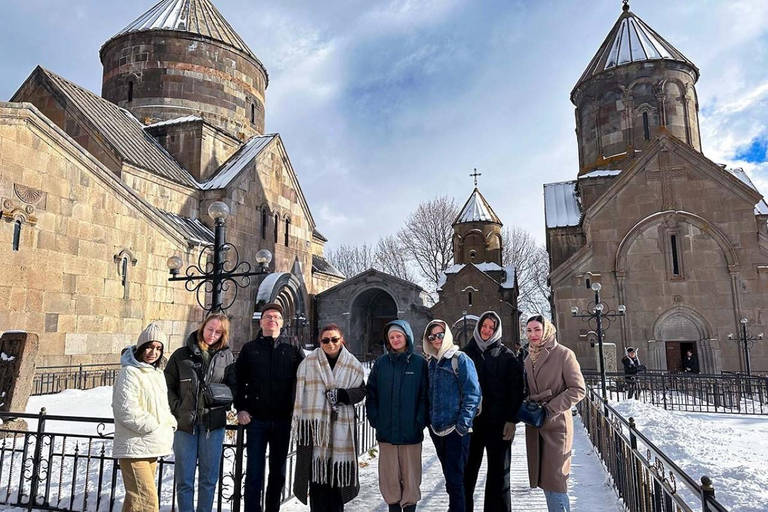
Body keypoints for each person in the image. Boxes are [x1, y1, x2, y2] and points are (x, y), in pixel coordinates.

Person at [236, 303, 304, 512]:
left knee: (278, 473)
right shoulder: (250, 348)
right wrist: (241, 408)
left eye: (276, 317)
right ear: (261, 321)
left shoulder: (292, 346)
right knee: (254, 473)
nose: (272, 320)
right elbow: (239, 380)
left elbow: (305, 377)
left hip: (283, 420)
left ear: (282, 322)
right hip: (257, 420)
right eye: (267, 317)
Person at [165, 314, 236, 512]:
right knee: (184, 480)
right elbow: (167, 385)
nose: (212, 334)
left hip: (212, 425)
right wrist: (177, 408)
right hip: (185, 424)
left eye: (218, 331)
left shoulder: (227, 356)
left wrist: (222, 401)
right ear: (202, 327)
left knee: (209, 479)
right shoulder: (181, 355)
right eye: (210, 329)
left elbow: (234, 386)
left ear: (223, 334)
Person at [292, 324, 366, 511]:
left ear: (342, 340)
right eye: (326, 340)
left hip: (341, 431)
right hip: (314, 432)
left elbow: (362, 391)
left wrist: (342, 395)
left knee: (336, 482)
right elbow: (297, 392)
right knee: (316, 481)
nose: (330, 343)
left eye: (334, 339)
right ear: (320, 342)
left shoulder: (353, 365)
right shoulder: (308, 364)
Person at [461, 311, 524, 512]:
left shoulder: (507, 356)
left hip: (499, 425)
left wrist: (512, 420)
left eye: (491, 327)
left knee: (499, 476)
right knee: (467, 474)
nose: (487, 330)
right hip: (472, 425)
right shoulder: (465, 354)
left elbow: (516, 390)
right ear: (478, 327)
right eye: (484, 326)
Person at [524, 314, 586, 512]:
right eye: (529, 330)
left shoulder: (563, 354)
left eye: (537, 329)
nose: (533, 334)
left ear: (547, 330)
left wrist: (550, 407)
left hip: (557, 425)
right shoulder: (528, 357)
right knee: (544, 481)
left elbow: (578, 389)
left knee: (556, 482)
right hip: (536, 424)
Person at [366, 320, 429, 512]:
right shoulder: (381, 363)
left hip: (411, 433)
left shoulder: (419, 363)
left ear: (406, 337)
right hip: (387, 433)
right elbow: (372, 393)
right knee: (389, 480)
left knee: (410, 480)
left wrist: (419, 421)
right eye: (391, 337)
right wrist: (375, 418)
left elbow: (424, 396)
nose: (395, 340)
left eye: (398, 336)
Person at [113, 323, 176, 512]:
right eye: (149, 346)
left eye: (158, 348)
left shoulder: (156, 373)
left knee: (135, 502)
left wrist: (169, 423)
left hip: (150, 445)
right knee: (147, 502)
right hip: (135, 447)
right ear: (140, 347)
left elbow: (162, 406)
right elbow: (126, 409)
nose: (153, 352)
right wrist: (154, 426)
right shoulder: (129, 372)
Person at [422, 320, 481, 512]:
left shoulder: (459, 359)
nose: (436, 339)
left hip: (456, 430)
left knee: (456, 482)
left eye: (440, 335)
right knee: (450, 480)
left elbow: (473, 393)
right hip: (438, 430)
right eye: (432, 336)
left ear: (446, 335)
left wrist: (462, 426)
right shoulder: (431, 362)